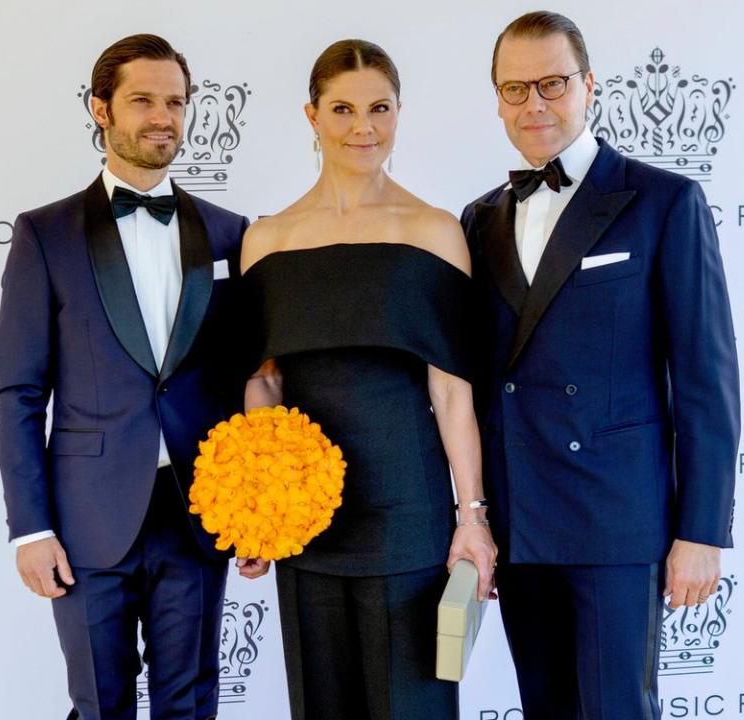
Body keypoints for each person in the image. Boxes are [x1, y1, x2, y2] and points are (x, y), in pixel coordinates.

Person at [460, 11, 740, 719]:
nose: (535, 104)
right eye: (516, 89)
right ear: (497, 99)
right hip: (522, 519)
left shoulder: (663, 202)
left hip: (618, 521)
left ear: (590, 87)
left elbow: (707, 384)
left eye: (552, 84)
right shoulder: (478, 218)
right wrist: (471, 518)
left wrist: (702, 532)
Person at [236, 39, 497, 720]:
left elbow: (452, 393)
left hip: (407, 521)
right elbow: (265, 385)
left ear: (399, 113)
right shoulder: (268, 239)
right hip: (307, 527)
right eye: (343, 109)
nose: (363, 127)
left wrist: (472, 518)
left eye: (379, 108)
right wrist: (261, 507)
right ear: (311, 115)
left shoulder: (434, 231)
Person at [0, 34, 249, 720]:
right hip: (85, 518)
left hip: (198, 514)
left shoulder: (231, 234)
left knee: (190, 704)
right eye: (143, 100)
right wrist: (30, 529)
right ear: (101, 109)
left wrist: (255, 514)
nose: (163, 116)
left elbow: (247, 383)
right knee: (101, 705)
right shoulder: (45, 234)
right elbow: (19, 393)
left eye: (175, 101)